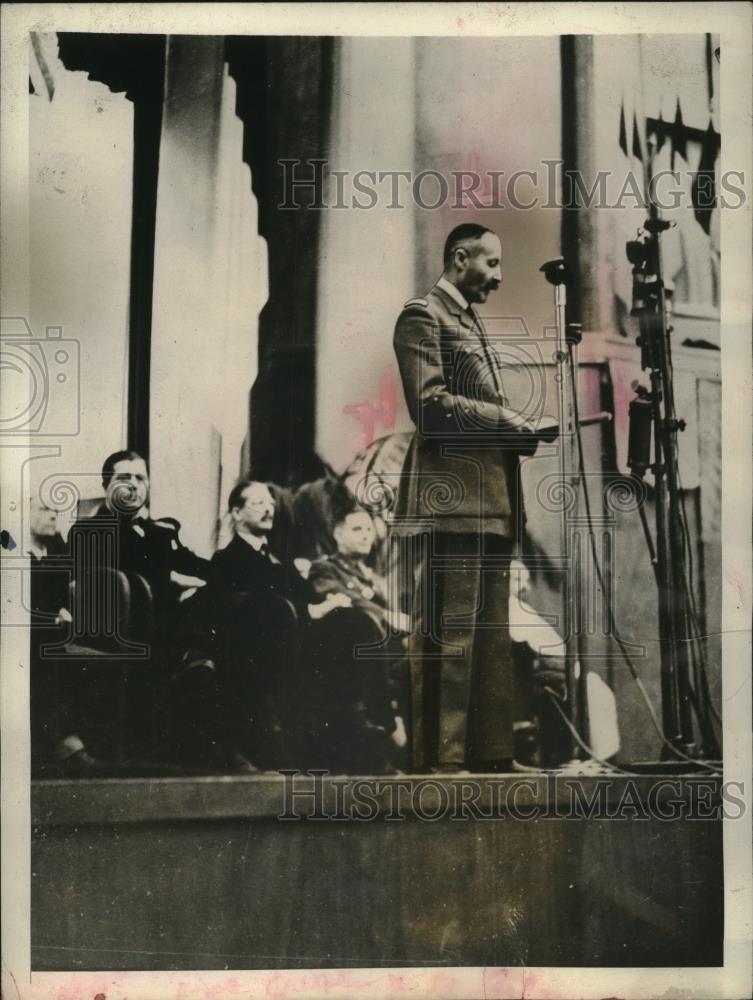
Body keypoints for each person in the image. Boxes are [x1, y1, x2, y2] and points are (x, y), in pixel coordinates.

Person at [392, 222, 555, 773]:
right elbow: (431, 406)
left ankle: (491, 753)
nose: (499, 277)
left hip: (488, 501)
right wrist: (510, 420)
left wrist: (521, 430)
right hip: (453, 502)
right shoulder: (422, 315)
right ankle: (444, 758)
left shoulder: (467, 320)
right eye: (491, 264)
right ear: (460, 258)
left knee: (491, 633)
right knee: (454, 632)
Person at [66, 449, 210, 766]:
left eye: (140, 478)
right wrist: (171, 579)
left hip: (162, 625)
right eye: (124, 478)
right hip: (116, 626)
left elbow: (197, 567)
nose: (133, 485)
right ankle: (192, 658)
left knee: (221, 598)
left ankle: (197, 662)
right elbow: (114, 578)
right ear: (107, 487)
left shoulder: (160, 532)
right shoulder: (88, 531)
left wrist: (218, 578)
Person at [204, 480, 350, 771]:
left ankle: (346, 733)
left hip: (293, 640)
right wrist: (311, 610)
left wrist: (329, 601)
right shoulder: (226, 560)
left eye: (271, 503)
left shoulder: (278, 561)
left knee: (349, 624)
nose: (269, 509)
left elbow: (307, 594)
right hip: (253, 650)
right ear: (236, 512)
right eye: (258, 503)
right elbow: (251, 611)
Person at [308, 502, 411, 771]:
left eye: (368, 529)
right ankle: (387, 735)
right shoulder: (325, 568)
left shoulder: (376, 579)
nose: (366, 535)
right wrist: (385, 614)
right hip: (356, 654)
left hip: (391, 655)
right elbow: (340, 598)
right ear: (337, 534)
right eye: (357, 529)